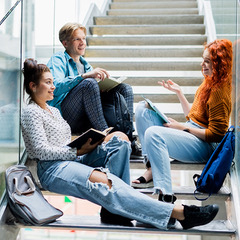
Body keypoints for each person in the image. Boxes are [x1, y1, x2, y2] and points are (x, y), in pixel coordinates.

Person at [21, 58, 219, 230]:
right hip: (53, 169)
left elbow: (64, 142)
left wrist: (87, 144)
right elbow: (39, 150)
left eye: (53, 82)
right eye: (48, 82)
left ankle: (113, 210)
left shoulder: (53, 111)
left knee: (120, 141)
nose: (53, 86)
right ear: (33, 86)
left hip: (73, 157)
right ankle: (178, 212)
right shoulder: (31, 112)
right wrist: (76, 150)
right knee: (106, 183)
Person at [132, 39, 233, 202]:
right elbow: (193, 116)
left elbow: (217, 135)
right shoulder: (209, 81)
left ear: (219, 63)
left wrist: (182, 128)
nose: (203, 64)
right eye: (203, 59)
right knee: (143, 109)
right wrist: (179, 93)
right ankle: (151, 168)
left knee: (153, 133)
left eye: (208, 61)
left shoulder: (219, 92)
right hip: (192, 131)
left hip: (205, 146)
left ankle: (165, 193)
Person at [47, 22, 141, 158]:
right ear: (65, 43)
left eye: (83, 38)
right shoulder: (58, 59)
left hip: (86, 116)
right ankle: (106, 136)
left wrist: (103, 88)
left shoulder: (85, 64)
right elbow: (54, 87)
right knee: (89, 83)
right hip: (66, 117)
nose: (82, 43)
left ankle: (128, 138)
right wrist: (83, 77)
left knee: (124, 89)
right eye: (77, 39)